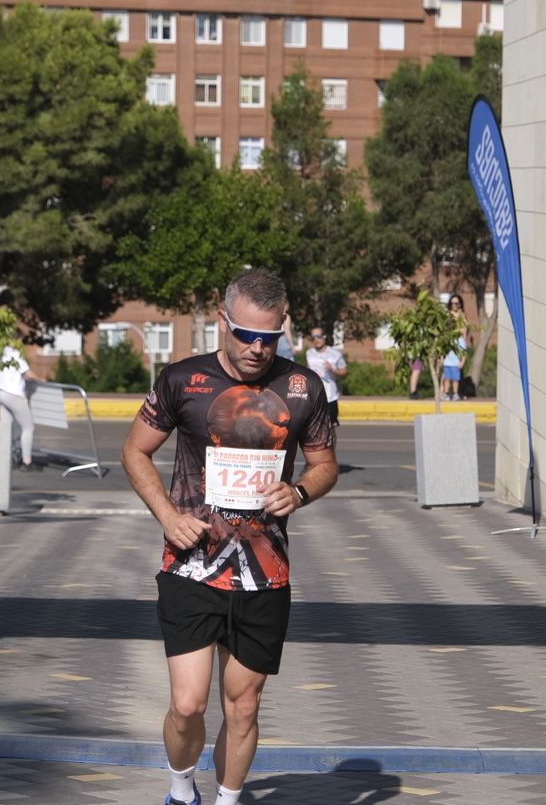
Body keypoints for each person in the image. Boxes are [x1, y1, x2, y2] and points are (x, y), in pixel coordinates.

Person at [121, 268, 339, 805]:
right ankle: (180, 789)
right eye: (245, 335)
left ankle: (228, 799)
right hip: (191, 564)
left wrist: (302, 491)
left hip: (265, 572)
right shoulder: (182, 380)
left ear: (282, 328)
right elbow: (134, 451)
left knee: (244, 706)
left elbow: (326, 464)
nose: (257, 349)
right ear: (223, 323)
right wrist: (169, 516)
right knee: (189, 703)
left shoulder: (303, 387)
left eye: (269, 337)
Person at [0, 343, 38, 470]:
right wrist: (42, 380)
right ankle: (26, 462)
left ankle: (7, 460)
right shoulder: (16, 354)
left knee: (6, 428)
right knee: (28, 427)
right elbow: (28, 373)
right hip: (13, 393)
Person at [304, 326, 347, 428]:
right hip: (314, 395)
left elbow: (344, 372)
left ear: (324, 337)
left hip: (330, 396)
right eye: (313, 337)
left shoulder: (335, 354)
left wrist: (333, 369)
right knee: (314, 426)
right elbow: (307, 369)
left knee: (330, 426)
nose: (316, 340)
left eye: (318, 336)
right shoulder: (309, 353)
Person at [440, 294, 469, 401]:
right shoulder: (448, 315)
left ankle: (458, 393)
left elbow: (464, 331)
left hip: (459, 344)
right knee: (446, 373)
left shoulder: (463, 315)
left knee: (458, 372)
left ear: (460, 304)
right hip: (449, 344)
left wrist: (464, 344)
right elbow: (444, 330)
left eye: (456, 303)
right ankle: (443, 392)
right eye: (452, 303)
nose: (454, 305)